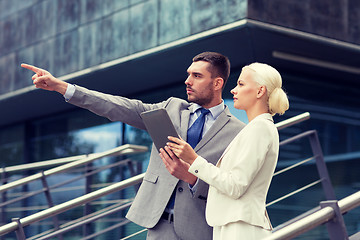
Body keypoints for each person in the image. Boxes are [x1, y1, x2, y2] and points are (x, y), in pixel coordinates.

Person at [21, 52, 245, 240]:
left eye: (197, 76)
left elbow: (235, 187)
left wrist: (193, 179)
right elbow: (118, 106)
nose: (188, 81)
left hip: (201, 230)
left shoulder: (237, 132)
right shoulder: (172, 107)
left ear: (217, 83)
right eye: (188, 75)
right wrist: (63, 87)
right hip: (158, 227)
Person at [160, 62, 289, 239]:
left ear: (260, 91)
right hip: (232, 224)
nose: (233, 90)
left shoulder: (260, 129)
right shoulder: (255, 129)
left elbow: (235, 185)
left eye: (241, 84)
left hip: (240, 228)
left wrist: (193, 159)